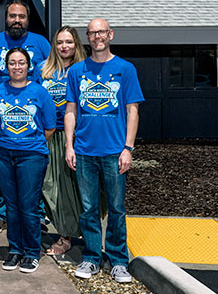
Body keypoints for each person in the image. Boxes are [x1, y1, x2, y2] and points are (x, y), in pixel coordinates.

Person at [65, 18, 144, 284]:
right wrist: (69, 145)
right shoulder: (77, 71)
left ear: (110, 34)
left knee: (116, 209)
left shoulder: (125, 69)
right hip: (85, 150)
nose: (97, 36)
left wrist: (128, 148)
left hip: (114, 151)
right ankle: (91, 258)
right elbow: (71, 110)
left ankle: (119, 261)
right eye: (92, 33)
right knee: (88, 209)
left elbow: (133, 111)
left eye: (101, 32)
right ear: (87, 38)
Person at [0, 47, 55, 273]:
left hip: (31, 156)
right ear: (6, 67)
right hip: (3, 154)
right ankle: (15, 250)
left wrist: (28, 143)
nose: (17, 67)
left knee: (28, 206)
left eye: (21, 62)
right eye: (12, 63)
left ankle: (32, 252)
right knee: (11, 206)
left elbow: (49, 127)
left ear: (29, 66)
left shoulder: (40, 92)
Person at [0, 0, 52, 234]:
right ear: (6, 18)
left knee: (34, 172)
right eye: (12, 16)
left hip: (31, 116)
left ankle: (37, 213)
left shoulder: (40, 42)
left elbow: (51, 72)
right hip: (2, 113)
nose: (16, 20)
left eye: (21, 16)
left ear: (27, 19)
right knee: (0, 170)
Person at [38, 26, 88, 255]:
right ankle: (65, 232)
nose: (64, 46)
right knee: (51, 187)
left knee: (78, 189)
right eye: (59, 42)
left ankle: (84, 234)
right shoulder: (43, 70)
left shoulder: (84, 70)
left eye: (68, 42)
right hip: (49, 135)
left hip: (78, 137)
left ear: (76, 44)